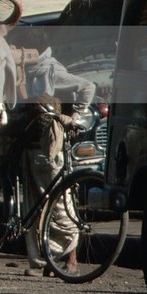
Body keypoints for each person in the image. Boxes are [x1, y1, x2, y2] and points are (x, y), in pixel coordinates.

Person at [13, 29, 97, 276]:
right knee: (36, 205)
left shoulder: (50, 70)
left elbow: (87, 87)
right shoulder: (28, 71)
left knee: (59, 203)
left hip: (50, 145)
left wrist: (74, 118)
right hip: (32, 144)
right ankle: (42, 262)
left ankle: (70, 260)